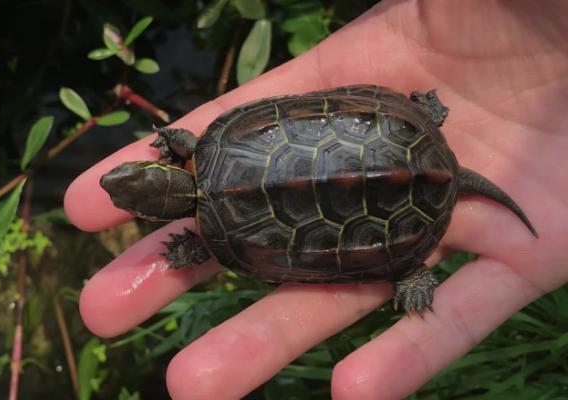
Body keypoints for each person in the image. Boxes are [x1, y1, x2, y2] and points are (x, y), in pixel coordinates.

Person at [64, 1, 568, 398]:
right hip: (403, 132)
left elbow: (209, 247)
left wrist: (185, 250)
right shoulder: (213, 141)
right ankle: (424, 121)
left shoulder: (220, 240)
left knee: (371, 253)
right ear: (163, 166)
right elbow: (189, 141)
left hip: (406, 197)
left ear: (160, 181)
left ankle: (412, 267)